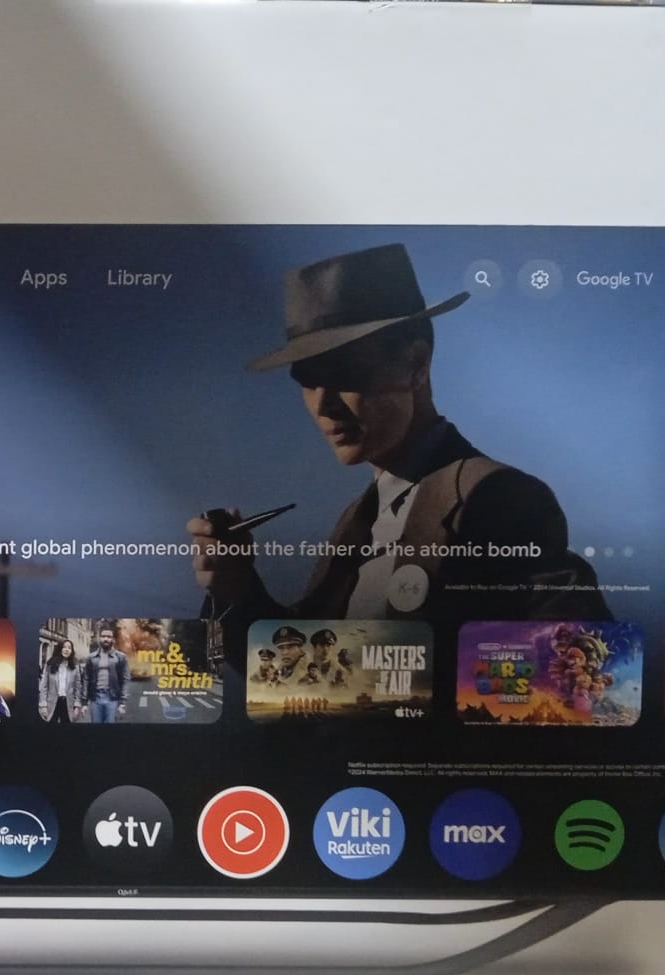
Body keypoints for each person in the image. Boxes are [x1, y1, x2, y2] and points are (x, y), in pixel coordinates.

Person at [187, 243, 607, 633]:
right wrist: (236, 589)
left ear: (416, 364)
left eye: (344, 373)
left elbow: (583, 667)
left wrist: (426, 676)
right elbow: (310, 672)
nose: (323, 405)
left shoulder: (497, 496)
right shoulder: (357, 519)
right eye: (308, 381)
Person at [81, 624, 130, 723]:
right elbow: (86, 679)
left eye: (109, 637)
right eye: (103, 636)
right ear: (99, 638)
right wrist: (84, 702)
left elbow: (125, 680)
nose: (106, 639)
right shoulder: (91, 657)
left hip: (112, 699)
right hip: (95, 698)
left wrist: (122, 703)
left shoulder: (121, 657)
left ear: (113, 639)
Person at [42, 639, 84, 723]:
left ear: (72, 651)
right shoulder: (50, 665)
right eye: (64, 647)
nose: (67, 650)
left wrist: (77, 706)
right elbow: (44, 686)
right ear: (59, 648)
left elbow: (78, 687)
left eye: (69, 648)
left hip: (68, 703)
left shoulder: (75, 667)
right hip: (52, 702)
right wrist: (43, 705)